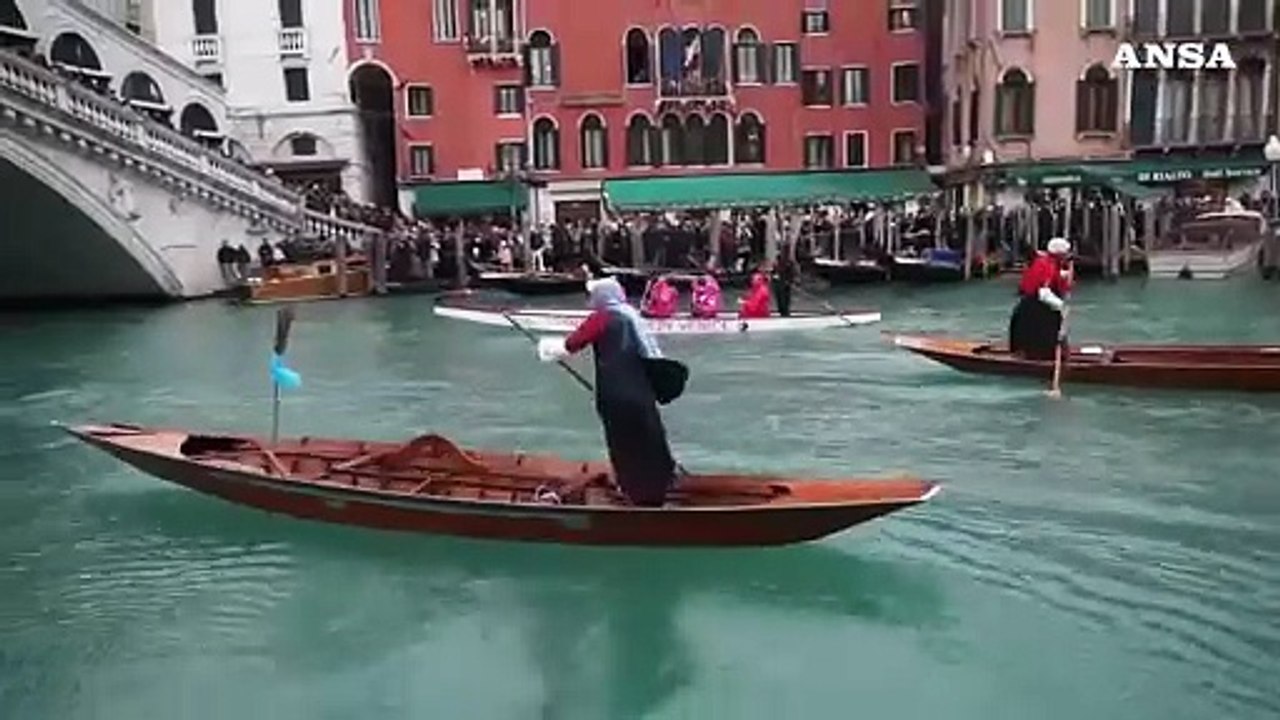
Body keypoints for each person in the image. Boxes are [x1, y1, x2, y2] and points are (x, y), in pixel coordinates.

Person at [537, 277, 678, 507]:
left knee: (624, 444)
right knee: (649, 439)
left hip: (615, 395)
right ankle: (660, 486)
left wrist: (545, 348)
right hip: (642, 393)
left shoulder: (602, 318)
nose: (590, 299)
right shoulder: (632, 317)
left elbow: (570, 345)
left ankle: (637, 496)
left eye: (593, 295)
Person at [1010, 237, 1074, 360]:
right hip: (1036, 308)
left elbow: (1055, 279)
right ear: (1059, 254)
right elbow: (1043, 292)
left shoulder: (1049, 262)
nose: (1068, 256)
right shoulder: (1046, 265)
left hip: (1035, 306)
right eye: (1066, 253)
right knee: (1043, 340)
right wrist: (1061, 306)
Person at [771, 253, 798, 317]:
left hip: (784, 284)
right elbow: (773, 273)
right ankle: (783, 311)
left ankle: (785, 312)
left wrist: (790, 281)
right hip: (779, 284)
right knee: (780, 299)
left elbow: (792, 273)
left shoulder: (789, 264)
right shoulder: (776, 265)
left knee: (784, 299)